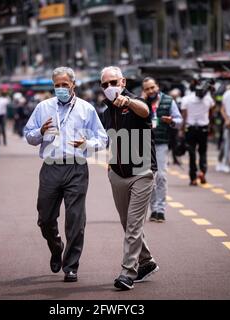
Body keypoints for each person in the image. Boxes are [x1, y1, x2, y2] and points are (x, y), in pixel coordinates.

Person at [24, 67, 107, 283]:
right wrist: (40, 132)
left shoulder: (86, 109)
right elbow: (28, 136)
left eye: (64, 85)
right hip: (50, 167)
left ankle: (71, 266)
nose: (61, 89)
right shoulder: (43, 107)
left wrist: (87, 144)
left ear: (73, 85)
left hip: (77, 167)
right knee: (45, 218)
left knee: (75, 219)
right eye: (57, 85)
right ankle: (56, 246)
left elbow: (103, 138)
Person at [101, 66, 159, 291]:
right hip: (117, 174)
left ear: (123, 82)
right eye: (105, 84)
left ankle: (127, 272)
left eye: (113, 82)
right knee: (127, 224)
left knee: (134, 225)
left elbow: (145, 111)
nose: (109, 87)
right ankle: (147, 262)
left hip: (142, 173)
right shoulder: (106, 111)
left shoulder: (134, 103)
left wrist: (128, 101)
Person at [142, 77, 182, 222]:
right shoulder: (141, 102)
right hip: (144, 144)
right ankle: (154, 209)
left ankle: (161, 209)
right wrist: (141, 101)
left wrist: (171, 121)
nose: (150, 91)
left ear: (157, 86)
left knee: (161, 176)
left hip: (161, 143)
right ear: (144, 91)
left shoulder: (169, 101)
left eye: (152, 87)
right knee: (149, 178)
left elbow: (179, 121)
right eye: (147, 89)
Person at [180, 81, 215, 186]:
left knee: (192, 153)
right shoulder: (208, 99)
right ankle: (202, 171)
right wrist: (211, 126)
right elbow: (211, 113)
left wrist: (181, 130)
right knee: (203, 152)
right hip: (203, 129)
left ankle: (193, 178)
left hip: (190, 129)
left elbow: (184, 116)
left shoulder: (186, 99)